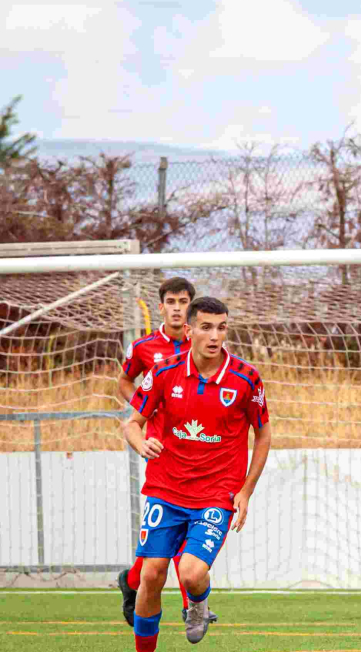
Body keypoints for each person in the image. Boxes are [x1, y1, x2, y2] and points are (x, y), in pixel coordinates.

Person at [123, 297, 272, 651]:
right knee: (150, 574)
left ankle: (198, 603)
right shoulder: (162, 372)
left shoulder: (246, 378)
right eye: (206, 327)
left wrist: (246, 491)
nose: (215, 335)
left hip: (216, 494)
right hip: (165, 488)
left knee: (190, 573)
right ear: (189, 330)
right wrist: (141, 443)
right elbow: (132, 424)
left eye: (221, 327)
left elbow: (263, 434)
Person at [115, 277, 219, 627]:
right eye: (171, 301)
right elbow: (125, 382)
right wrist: (147, 407)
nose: (177, 307)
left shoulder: (203, 343)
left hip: (196, 447)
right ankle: (193, 604)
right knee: (171, 539)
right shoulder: (144, 348)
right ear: (161, 307)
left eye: (183, 301)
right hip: (161, 449)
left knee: (172, 546)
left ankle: (134, 583)